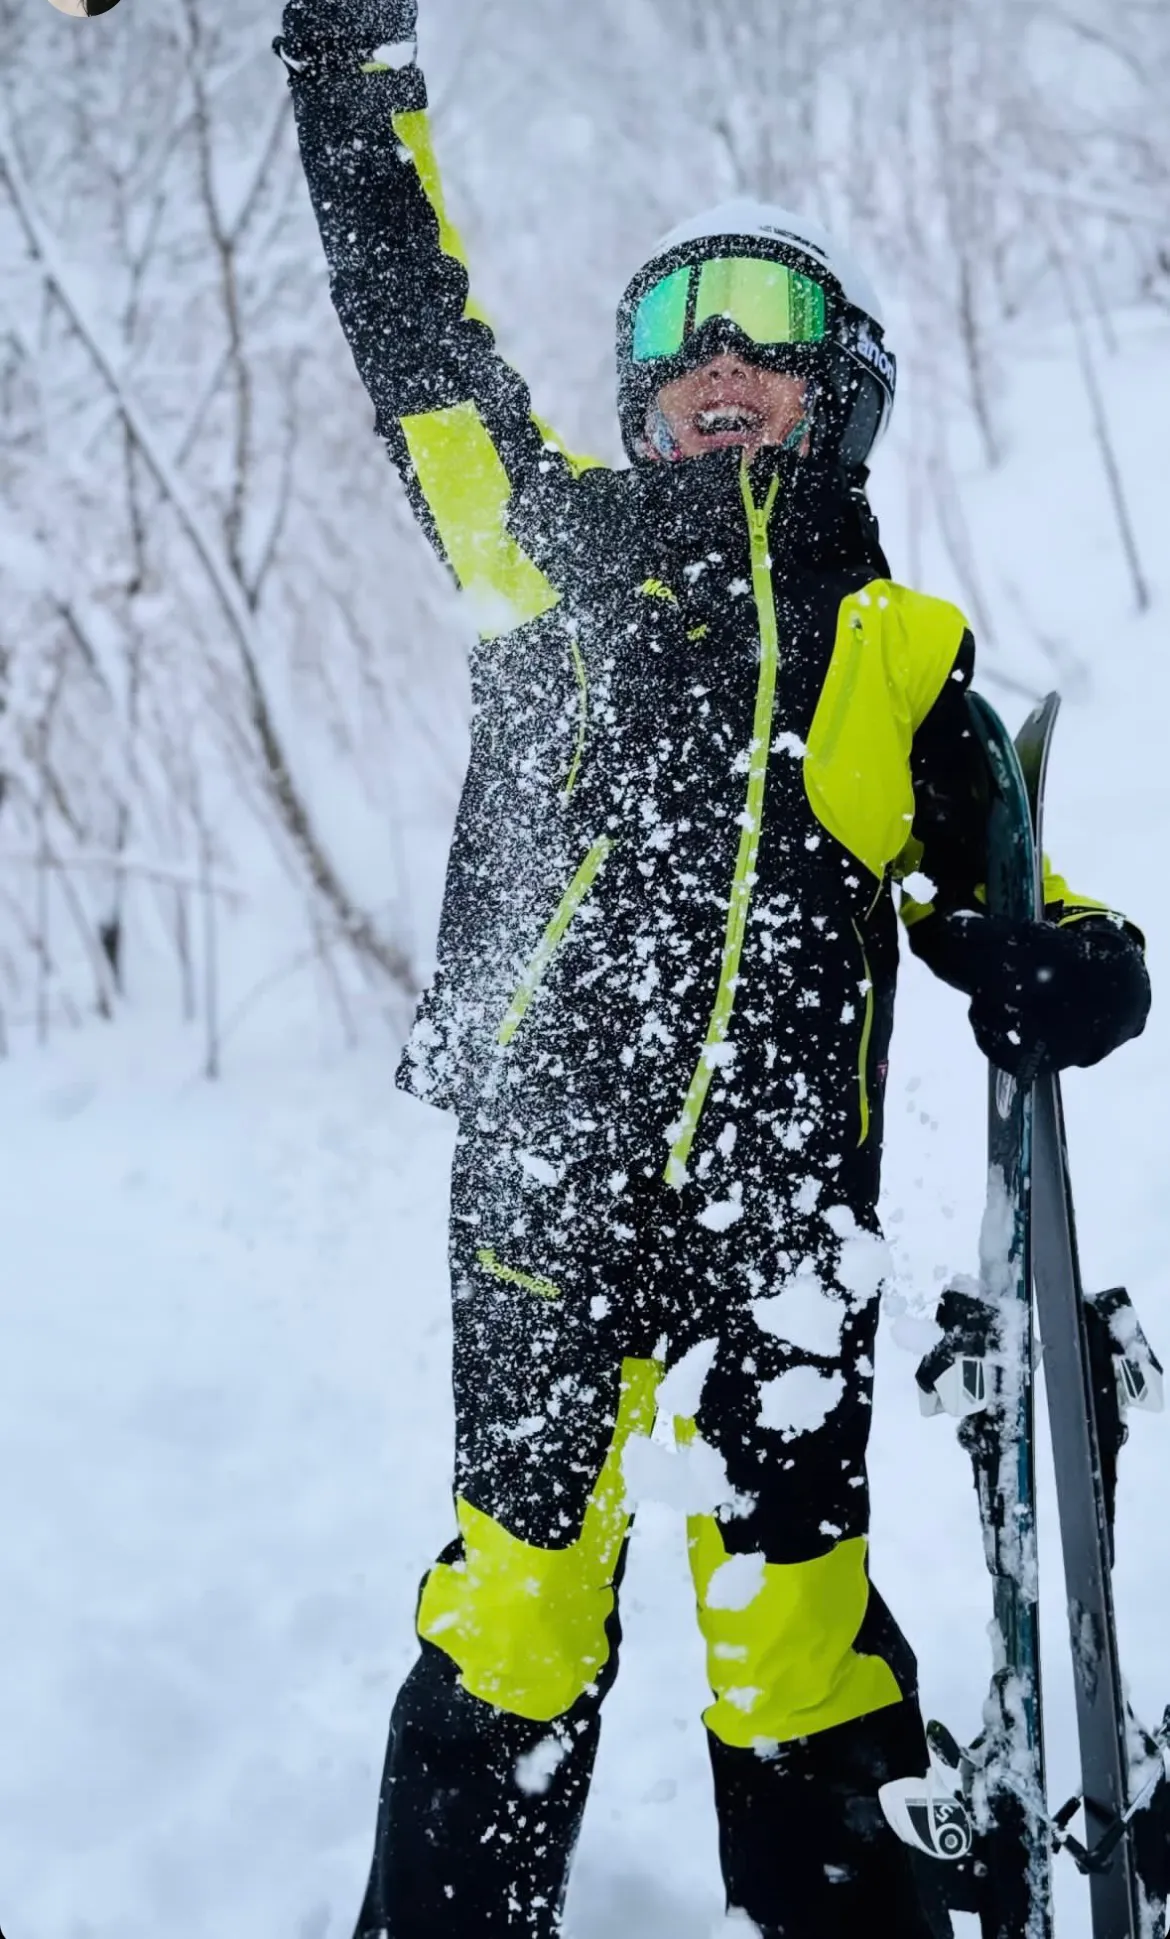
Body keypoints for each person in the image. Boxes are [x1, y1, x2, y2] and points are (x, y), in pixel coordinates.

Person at [276, 5, 1151, 1934]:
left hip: (784, 1231)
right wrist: (348, 73)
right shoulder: (546, 556)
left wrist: (1067, 952)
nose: (721, 360)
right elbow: (413, 329)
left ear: (840, 390)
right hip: (542, 1206)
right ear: (636, 399)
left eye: (763, 327)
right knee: (512, 1615)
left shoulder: (896, 649)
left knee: (797, 1641)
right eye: (680, 337)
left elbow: (996, 864)